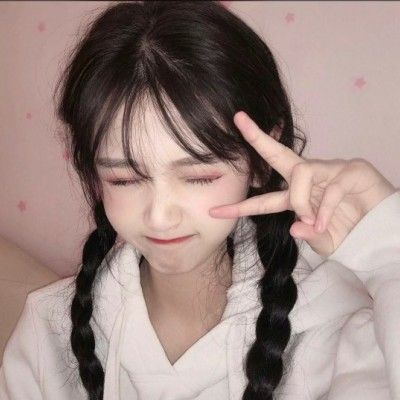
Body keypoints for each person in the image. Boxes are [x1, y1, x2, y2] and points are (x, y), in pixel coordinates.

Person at [0, 1, 399, 399]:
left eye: (199, 176)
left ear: (260, 161)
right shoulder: (48, 331)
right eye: (124, 179)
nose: (160, 217)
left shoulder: (336, 324)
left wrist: (388, 250)